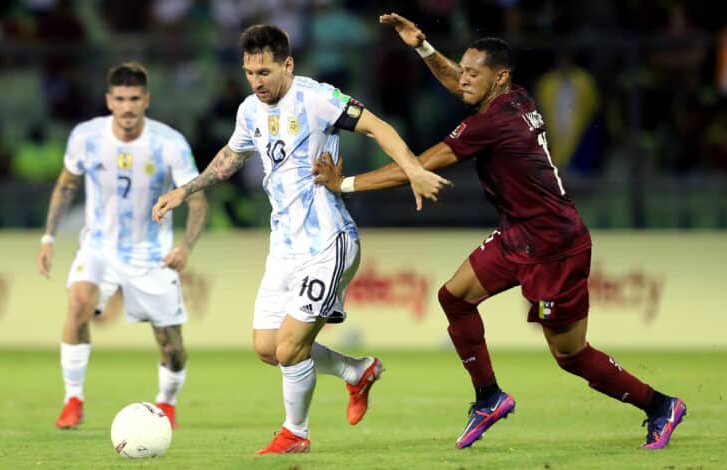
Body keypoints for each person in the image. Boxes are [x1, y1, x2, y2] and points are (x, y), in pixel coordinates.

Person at [312, 13, 686, 450]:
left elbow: (420, 164)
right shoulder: (514, 98)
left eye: (474, 73)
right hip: (518, 235)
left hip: (555, 247)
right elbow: (455, 83)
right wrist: (423, 47)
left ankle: (660, 406)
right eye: (464, 69)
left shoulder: (491, 124)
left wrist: (346, 184)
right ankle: (488, 396)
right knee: (455, 296)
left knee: (570, 355)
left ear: (500, 77)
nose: (464, 79)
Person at [152, 24, 451, 454]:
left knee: (291, 347)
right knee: (267, 347)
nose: (257, 83)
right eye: (249, 73)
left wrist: (414, 170)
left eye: (265, 72)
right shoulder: (249, 111)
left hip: (329, 242)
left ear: (287, 65)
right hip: (284, 249)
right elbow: (232, 157)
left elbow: (378, 127)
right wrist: (186, 189)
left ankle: (296, 434)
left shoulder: (316, 97)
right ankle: (356, 371)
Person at [36, 62, 208, 431]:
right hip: (99, 247)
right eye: (120, 99)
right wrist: (48, 237)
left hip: (151, 253)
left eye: (134, 99)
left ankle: (168, 402)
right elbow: (66, 185)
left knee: (171, 346)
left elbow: (196, 200)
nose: (127, 107)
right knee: (78, 304)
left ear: (146, 100)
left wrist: (186, 248)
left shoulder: (169, 142)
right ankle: (73, 400)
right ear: (108, 101)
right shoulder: (86, 136)